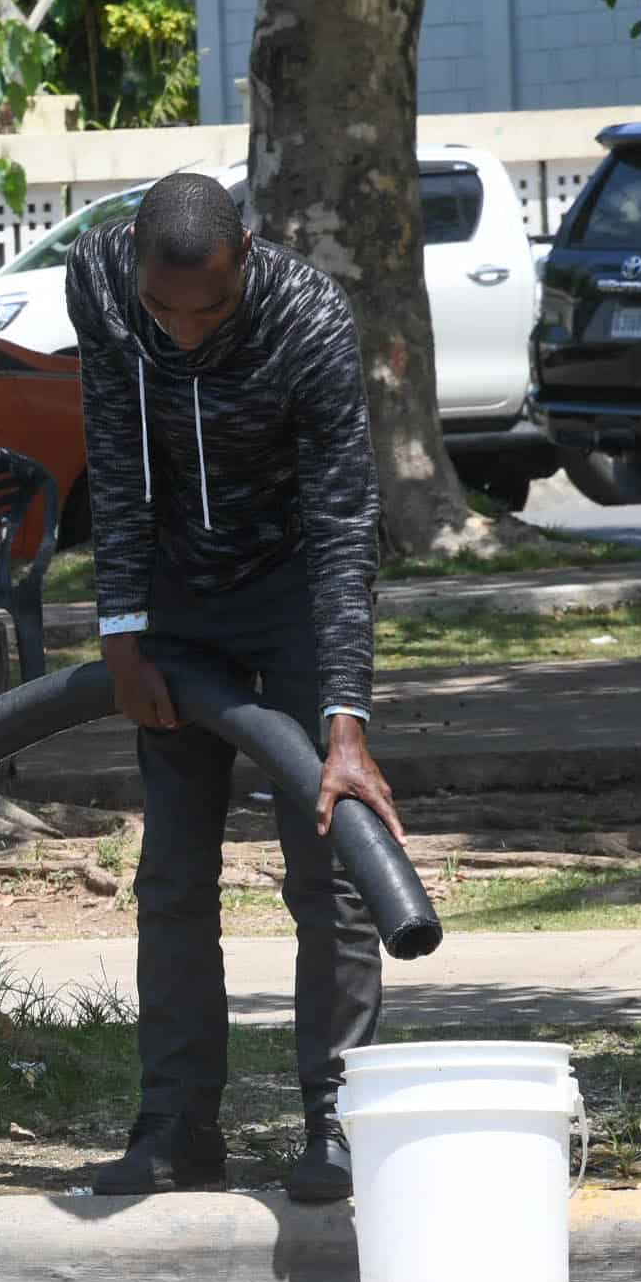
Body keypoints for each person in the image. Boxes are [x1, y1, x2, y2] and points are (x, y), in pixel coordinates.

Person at [67, 171, 402, 1202]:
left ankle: (334, 1119)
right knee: (171, 874)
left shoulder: (307, 318)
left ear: (246, 256)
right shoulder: (100, 285)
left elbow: (346, 517)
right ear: (133, 267)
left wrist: (345, 721)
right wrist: (122, 631)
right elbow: (115, 457)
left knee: (328, 871)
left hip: (293, 591)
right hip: (175, 600)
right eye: (164, 309)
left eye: (207, 308)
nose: (183, 332)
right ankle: (174, 1123)